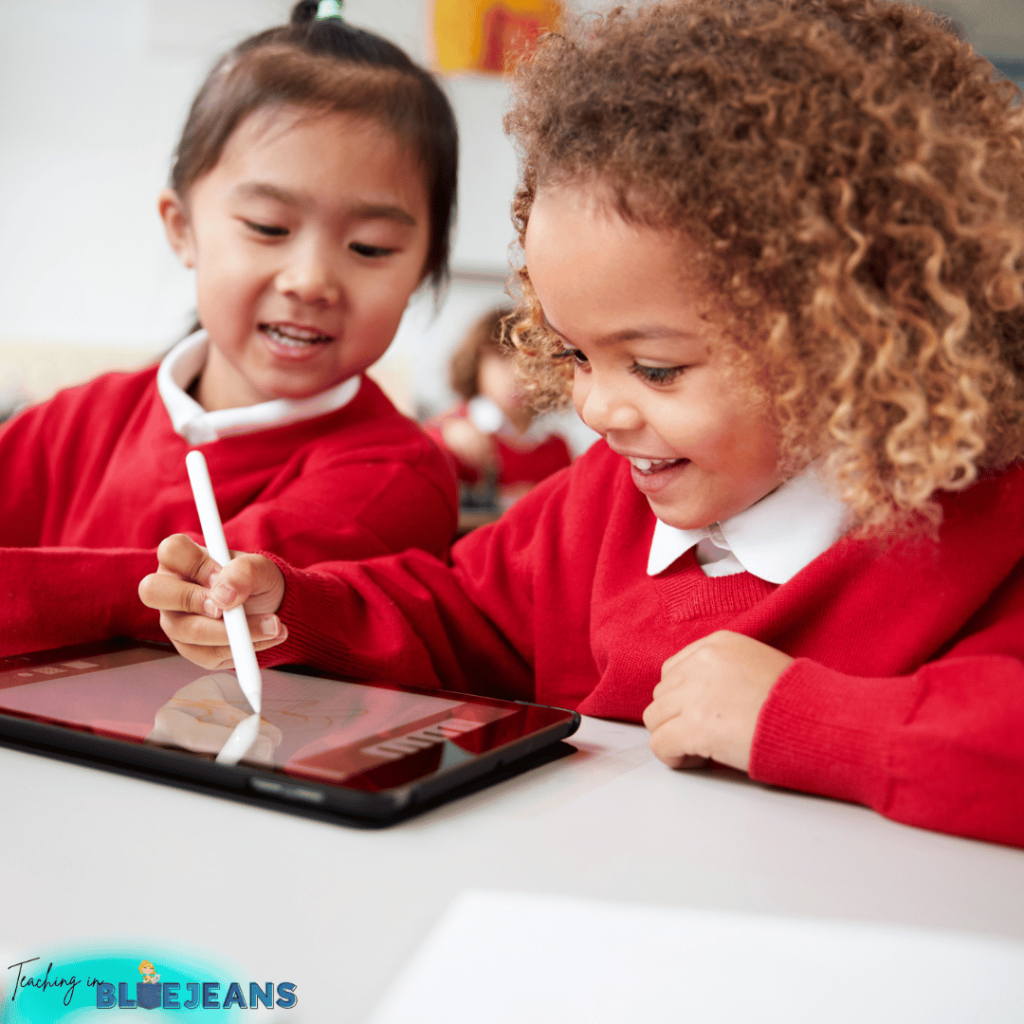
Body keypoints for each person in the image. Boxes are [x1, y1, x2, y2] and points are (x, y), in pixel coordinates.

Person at [140, 0, 1024, 848]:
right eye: (574, 357)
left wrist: (801, 721)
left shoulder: (983, 524)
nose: (598, 410)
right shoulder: (606, 502)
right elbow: (460, 616)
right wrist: (298, 608)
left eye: (657, 368)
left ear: (851, 336)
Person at [0, 0, 459, 657]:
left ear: (422, 267)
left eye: (371, 246)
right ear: (183, 228)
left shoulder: (394, 475)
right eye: (269, 228)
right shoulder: (76, 422)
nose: (310, 280)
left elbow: (207, 598)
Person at [424, 306, 573, 509]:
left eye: (530, 363)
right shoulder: (452, 430)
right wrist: (445, 435)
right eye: (502, 359)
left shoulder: (556, 449)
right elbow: (418, 454)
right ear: (476, 364)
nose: (517, 375)